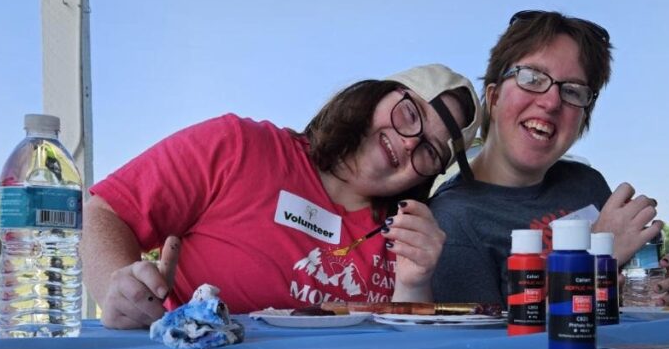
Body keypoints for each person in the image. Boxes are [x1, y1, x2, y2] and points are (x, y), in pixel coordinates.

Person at [84, 64, 482, 328]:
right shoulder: (237, 146)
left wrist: (415, 284)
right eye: (410, 114)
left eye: (432, 151)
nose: (410, 143)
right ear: (375, 96)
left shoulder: (405, 236)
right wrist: (117, 290)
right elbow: (103, 210)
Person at [430, 10, 669, 305]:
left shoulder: (586, 183)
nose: (551, 102)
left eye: (573, 91)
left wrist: (637, 291)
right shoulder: (450, 220)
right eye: (532, 78)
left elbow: (608, 306)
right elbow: (485, 348)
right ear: (494, 98)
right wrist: (598, 255)